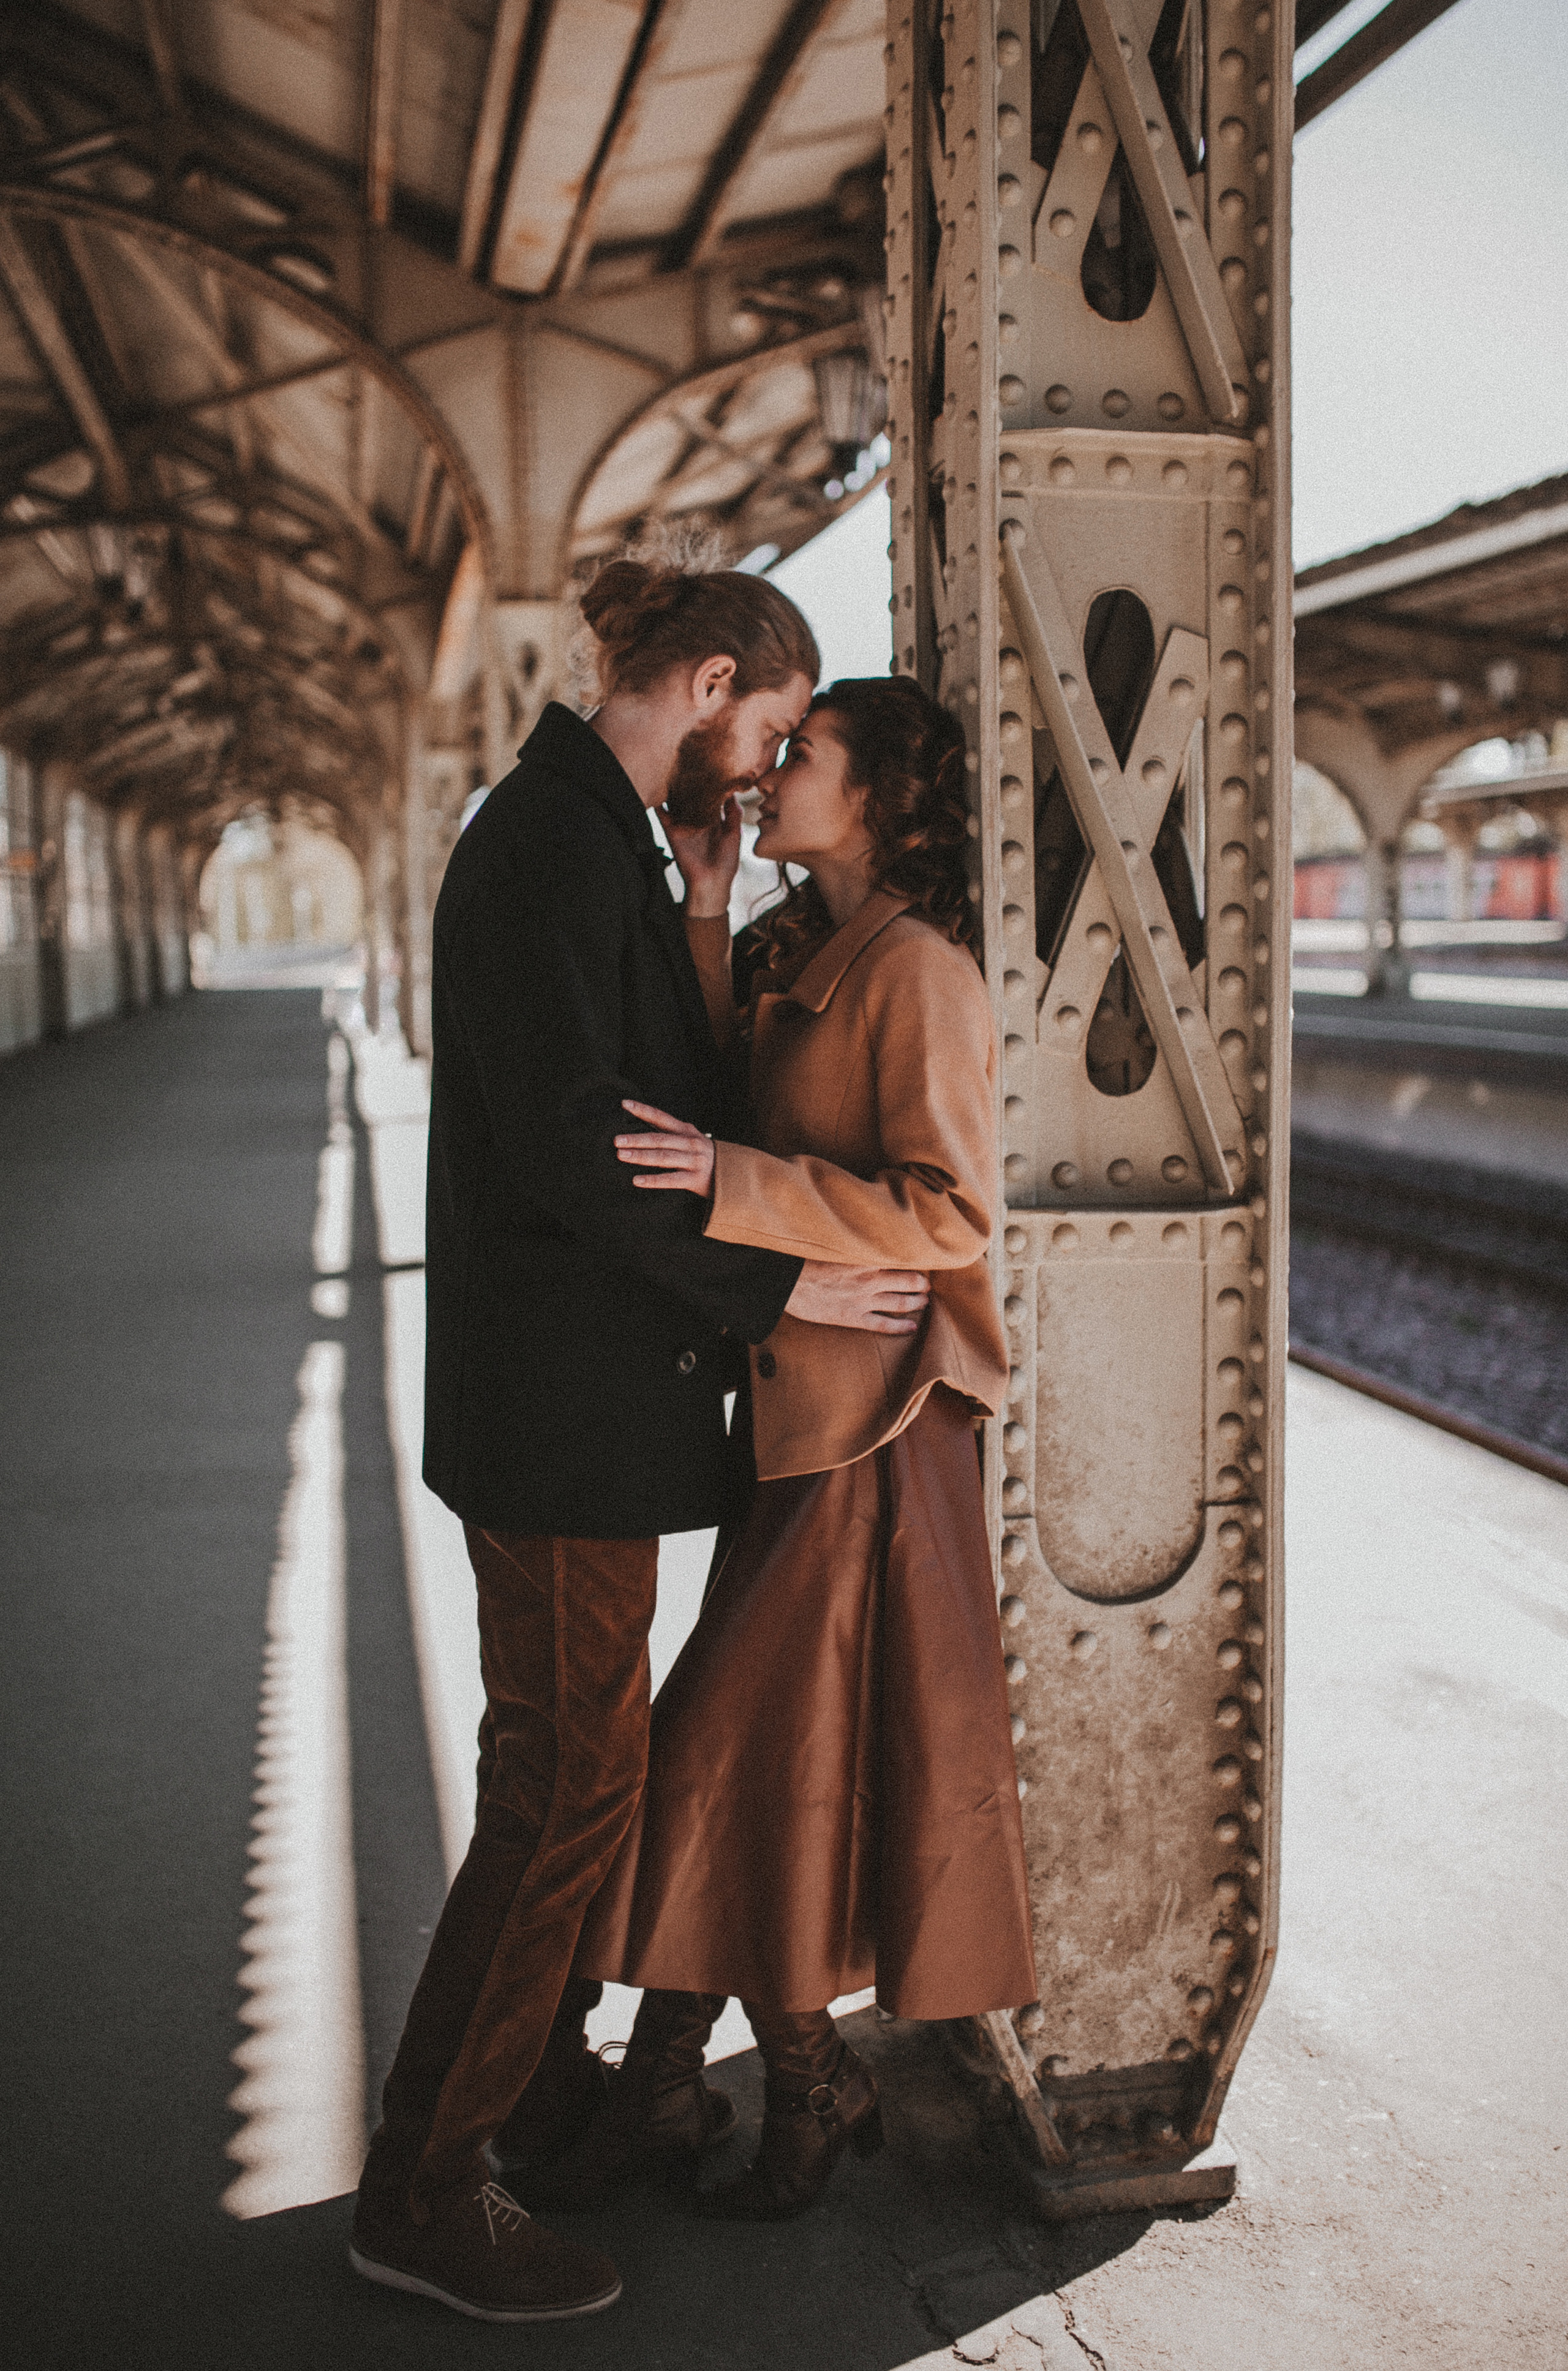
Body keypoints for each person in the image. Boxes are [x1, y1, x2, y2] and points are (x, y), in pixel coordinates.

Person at [349, 562, 932, 2323]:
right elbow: (577, 1144)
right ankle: (427, 2184)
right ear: (704, 681)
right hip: (555, 1422)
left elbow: (658, 1094)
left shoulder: (600, 842)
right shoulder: (539, 841)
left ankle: (527, 2093)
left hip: (572, 1409)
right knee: (563, 1785)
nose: (757, 775)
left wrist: (693, 910)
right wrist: (784, 1299)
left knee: (563, 1773)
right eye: (760, 729)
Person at [567, 674, 1038, 2220]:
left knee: (714, 1751)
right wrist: (706, 913)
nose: (769, 773)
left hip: (882, 1432)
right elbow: (726, 1107)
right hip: (802, 1425)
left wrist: (736, 1186)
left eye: (803, 754)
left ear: (884, 798)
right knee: (776, 1770)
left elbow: (952, 1216)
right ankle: (790, 2084)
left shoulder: (919, 974)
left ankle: (686, 2090)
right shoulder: (802, 948)